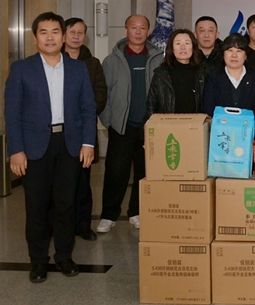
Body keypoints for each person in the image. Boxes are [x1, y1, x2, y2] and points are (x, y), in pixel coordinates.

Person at [5, 12, 96, 283]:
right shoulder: (22, 69)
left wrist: (88, 143)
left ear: (63, 36)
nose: (50, 37)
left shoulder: (78, 68)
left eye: (55, 31)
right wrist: (16, 150)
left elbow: (88, 108)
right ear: (35, 38)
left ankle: (64, 256)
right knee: (36, 206)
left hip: (69, 144)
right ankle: (38, 261)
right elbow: (12, 113)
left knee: (66, 204)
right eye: (43, 32)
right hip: (34, 147)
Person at [98, 14, 163, 233]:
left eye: (142, 27)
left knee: (144, 173)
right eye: (133, 27)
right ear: (126, 31)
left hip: (149, 128)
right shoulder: (112, 60)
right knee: (116, 173)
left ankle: (136, 212)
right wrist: (109, 121)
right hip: (121, 127)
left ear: (148, 32)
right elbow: (104, 94)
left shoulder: (157, 59)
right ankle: (108, 215)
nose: (138, 31)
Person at [62, 17, 107, 242]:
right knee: (59, 184)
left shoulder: (93, 63)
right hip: (58, 131)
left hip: (83, 130)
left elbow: (100, 93)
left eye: (80, 32)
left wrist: (82, 115)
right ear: (64, 35)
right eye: (72, 32)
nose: (76, 36)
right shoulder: (54, 60)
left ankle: (83, 225)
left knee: (82, 183)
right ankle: (60, 226)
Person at [203, 33, 255, 126]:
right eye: (230, 50)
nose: (234, 55)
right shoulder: (213, 79)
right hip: (221, 130)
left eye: (239, 51)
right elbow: (208, 109)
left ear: (245, 55)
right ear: (223, 54)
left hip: (249, 130)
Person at [147, 29, 207, 117]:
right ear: (172, 49)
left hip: (196, 124)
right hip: (168, 124)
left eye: (187, 43)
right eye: (178, 43)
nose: (183, 47)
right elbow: (151, 105)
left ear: (193, 47)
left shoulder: (203, 73)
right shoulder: (161, 74)